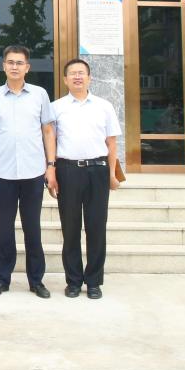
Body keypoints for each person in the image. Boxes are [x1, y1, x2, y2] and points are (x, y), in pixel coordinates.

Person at [0, 45, 56, 299]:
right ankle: (1, 279)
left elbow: (48, 131)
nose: (15, 67)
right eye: (10, 62)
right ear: (4, 66)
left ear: (27, 67)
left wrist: (51, 165)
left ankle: (36, 281)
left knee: (32, 228)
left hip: (33, 172)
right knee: (4, 229)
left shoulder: (39, 94)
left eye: (19, 63)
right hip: (3, 173)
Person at [49, 58, 122, 300]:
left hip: (97, 170)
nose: (77, 77)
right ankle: (73, 281)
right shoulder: (56, 107)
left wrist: (111, 174)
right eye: (73, 73)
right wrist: (51, 172)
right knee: (70, 229)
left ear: (90, 78)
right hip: (67, 170)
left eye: (82, 73)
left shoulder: (104, 106)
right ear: (65, 79)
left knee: (96, 227)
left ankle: (93, 281)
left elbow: (112, 143)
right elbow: (50, 142)